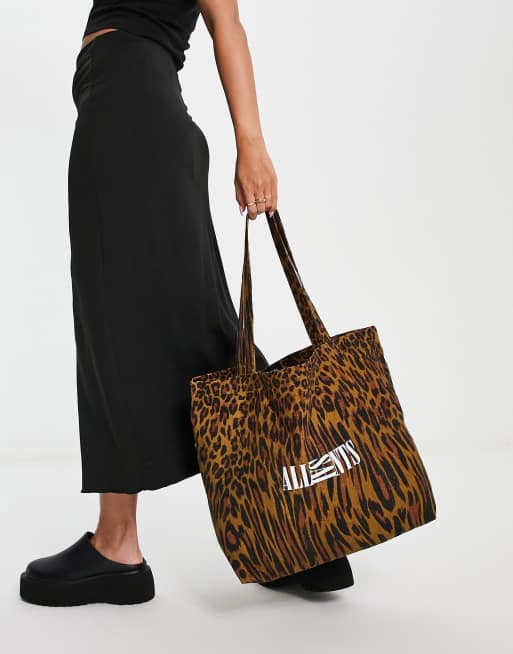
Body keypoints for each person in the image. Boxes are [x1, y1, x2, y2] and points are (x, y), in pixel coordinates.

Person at [19, 0, 354, 606]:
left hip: (127, 106)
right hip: (134, 106)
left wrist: (252, 143)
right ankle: (294, 525)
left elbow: (227, 21)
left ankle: (120, 545)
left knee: (118, 320)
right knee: (181, 322)